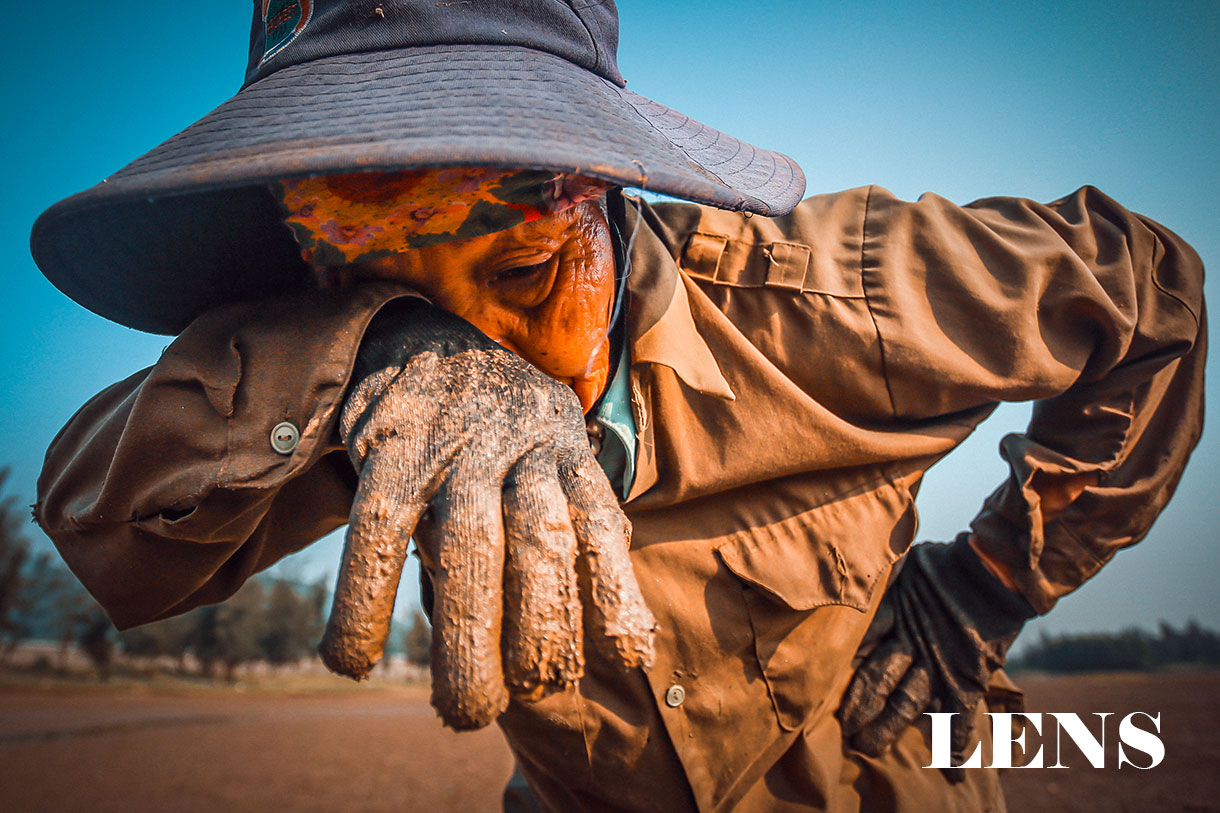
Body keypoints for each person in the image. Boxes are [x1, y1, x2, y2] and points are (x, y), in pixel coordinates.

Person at [31, 2, 1205, 811]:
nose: (490, 343)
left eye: (519, 268)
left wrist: (990, 582)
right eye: (382, 279)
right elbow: (106, 528)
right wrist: (373, 345)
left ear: (604, 194)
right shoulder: (376, 399)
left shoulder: (837, 298)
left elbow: (1148, 294)